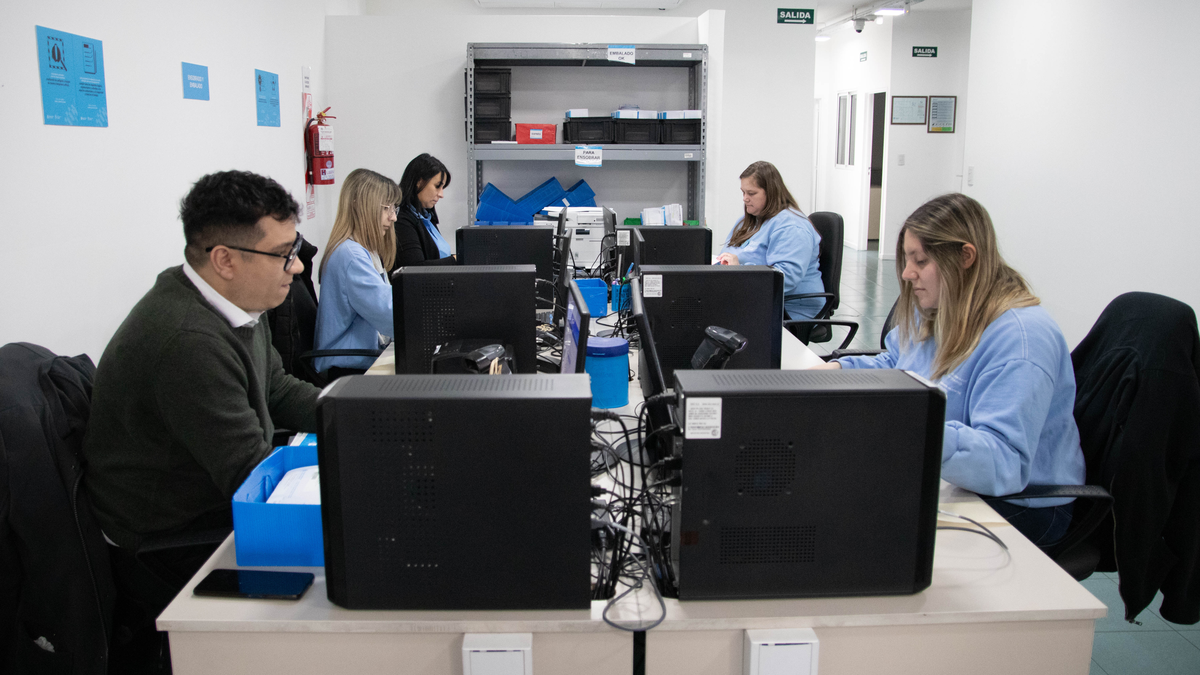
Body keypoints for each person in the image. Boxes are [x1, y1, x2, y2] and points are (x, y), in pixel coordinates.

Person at [83, 170, 322, 670]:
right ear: (224, 260)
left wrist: (362, 411)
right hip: (167, 539)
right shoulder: (188, 341)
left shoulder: (233, 306)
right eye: (282, 253)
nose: (297, 266)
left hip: (210, 503)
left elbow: (276, 388)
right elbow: (249, 477)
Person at [815, 193, 1086, 548]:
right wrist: (834, 371)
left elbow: (1004, 463)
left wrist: (913, 424)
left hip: (1021, 501)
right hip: (956, 478)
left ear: (965, 257)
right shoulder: (937, 307)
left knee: (871, 534)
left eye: (920, 260)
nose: (907, 273)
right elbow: (894, 362)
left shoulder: (1021, 339)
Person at [313, 168, 400, 377]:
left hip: (361, 360)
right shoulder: (351, 256)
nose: (394, 217)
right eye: (386, 208)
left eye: (394, 208)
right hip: (348, 370)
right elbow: (391, 315)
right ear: (362, 208)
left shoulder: (364, 250)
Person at [716, 161, 824, 320]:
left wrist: (740, 269)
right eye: (743, 192)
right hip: (755, 298)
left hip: (789, 308)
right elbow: (727, 253)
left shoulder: (792, 227)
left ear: (771, 192)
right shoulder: (750, 221)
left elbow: (785, 278)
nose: (745, 199)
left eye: (751, 193)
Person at [391, 153, 456, 271]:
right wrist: (456, 260)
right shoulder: (401, 219)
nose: (441, 195)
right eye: (437, 186)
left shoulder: (426, 217)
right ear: (419, 182)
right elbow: (414, 268)